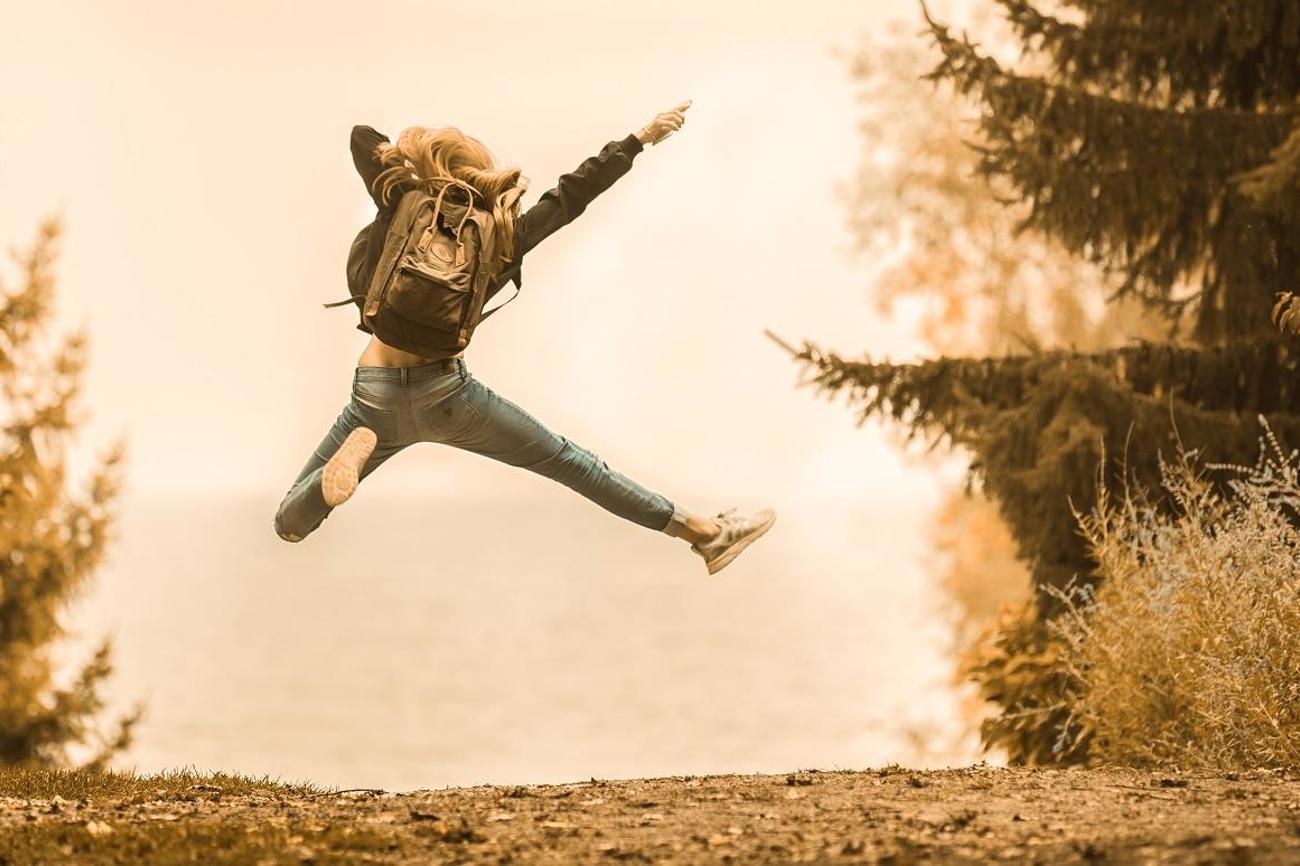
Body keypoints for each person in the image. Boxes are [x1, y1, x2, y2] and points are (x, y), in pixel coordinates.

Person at [273, 100, 775, 574]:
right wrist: (638, 139)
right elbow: (571, 197)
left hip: (375, 396)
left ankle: (324, 490)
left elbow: (362, 137)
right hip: (447, 396)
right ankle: (705, 534)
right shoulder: (500, 234)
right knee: (573, 464)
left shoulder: (402, 201)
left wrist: (414, 166)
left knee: (289, 523)